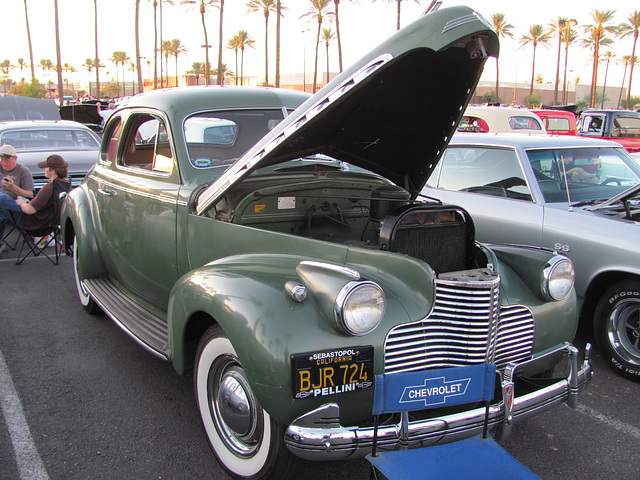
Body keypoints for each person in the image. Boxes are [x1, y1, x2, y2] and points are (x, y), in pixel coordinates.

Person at [14, 154, 70, 232]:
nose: (44, 169)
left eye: (46, 167)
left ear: (53, 171)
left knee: (3, 199)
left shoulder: (49, 188)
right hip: (53, 224)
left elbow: (30, 210)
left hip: (37, 225)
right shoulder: (66, 185)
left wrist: (22, 203)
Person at [0, 143, 34, 254]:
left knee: (3, 198)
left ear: (15, 158)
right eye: (1, 159)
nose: (3, 162)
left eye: (7, 159)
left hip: (17, 209)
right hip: (3, 210)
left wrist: (13, 187)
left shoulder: (23, 171)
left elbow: (30, 195)